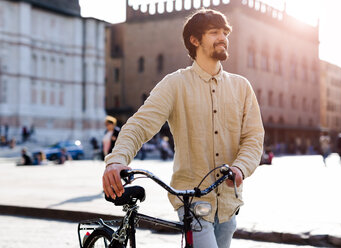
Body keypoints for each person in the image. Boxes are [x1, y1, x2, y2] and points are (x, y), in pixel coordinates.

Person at [102, 9, 264, 248]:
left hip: (230, 204)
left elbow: (253, 138)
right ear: (195, 40)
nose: (223, 38)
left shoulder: (242, 87)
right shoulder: (175, 84)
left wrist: (240, 167)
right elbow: (139, 125)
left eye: (224, 32)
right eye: (214, 32)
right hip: (192, 202)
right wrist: (116, 159)